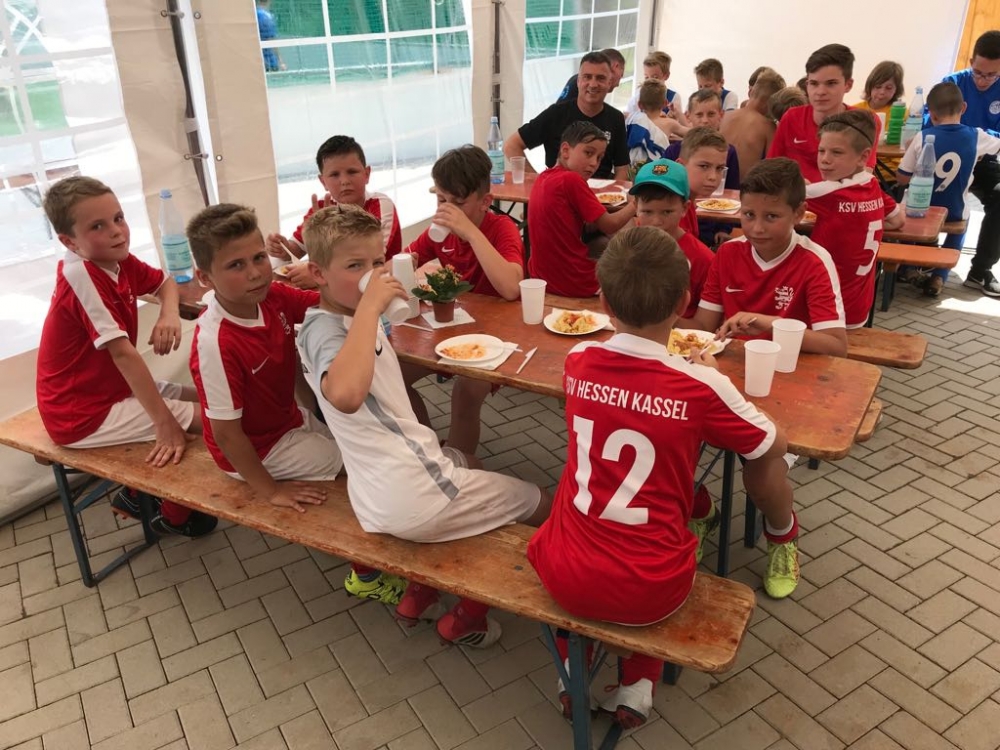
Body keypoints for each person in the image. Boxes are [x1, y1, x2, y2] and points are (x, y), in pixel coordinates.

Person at [527, 227, 799, 727]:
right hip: (652, 587)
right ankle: (638, 686)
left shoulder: (577, 360)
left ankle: (573, 673)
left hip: (564, 573)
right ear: (684, 301)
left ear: (602, 301)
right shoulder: (701, 384)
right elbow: (772, 444)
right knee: (656, 561)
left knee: (570, 550)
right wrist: (712, 376)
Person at [296, 203, 552, 647]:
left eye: (377, 262)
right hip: (412, 492)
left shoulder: (341, 319)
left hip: (375, 493)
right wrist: (371, 307)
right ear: (317, 274)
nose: (371, 275)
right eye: (355, 266)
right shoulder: (330, 332)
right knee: (542, 502)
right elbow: (344, 395)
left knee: (467, 459)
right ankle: (471, 614)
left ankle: (420, 592)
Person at [188, 203, 403, 603]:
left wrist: (357, 283)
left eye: (258, 258)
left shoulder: (269, 296)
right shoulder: (215, 341)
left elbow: (324, 303)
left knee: (367, 448)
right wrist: (270, 491)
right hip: (259, 450)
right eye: (236, 265)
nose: (255, 272)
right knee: (365, 465)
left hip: (288, 423)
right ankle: (366, 574)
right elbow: (226, 434)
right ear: (204, 277)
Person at [36, 176, 215, 537]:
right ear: (70, 242)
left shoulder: (114, 259)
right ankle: (171, 514)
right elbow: (123, 355)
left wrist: (168, 314)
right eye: (98, 226)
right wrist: (164, 422)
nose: (117, 231)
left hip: (110, 391)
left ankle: (136, 495)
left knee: (212, 399)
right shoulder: (81, 275)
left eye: (118, 218)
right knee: (212, 423)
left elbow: (165, 283)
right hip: (81, 413)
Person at [399, 146, 525, 454]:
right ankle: (429, 452)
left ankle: (460, 461)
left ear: (485, 202)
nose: (448, 210)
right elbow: (402, 260)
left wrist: (471, 232)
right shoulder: (439, 234)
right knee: (392, 378)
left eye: (458, 203)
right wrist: (404, 265)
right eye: (442, 200)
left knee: (466, 392)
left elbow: (511, 288)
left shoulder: (501, 228)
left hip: (496, 337)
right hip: (452, 329)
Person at [682, 158, 848, 357]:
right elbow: (703, 327)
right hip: (736, 361)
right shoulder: (727, 253)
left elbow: (837, 347)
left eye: (771, 216)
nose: (757, 228)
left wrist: (771, 325)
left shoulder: (815, 261)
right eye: (749, 214)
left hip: (792, 364)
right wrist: (660, 318)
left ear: (799, 213)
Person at [897, 81, 1000, 297]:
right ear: (963, 108)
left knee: (907, 213)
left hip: (919, 208)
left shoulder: (922, 137)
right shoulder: (976, 136)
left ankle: (908, 268)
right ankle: (940, 276)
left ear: (932, 114)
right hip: (953, 210)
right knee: (964, 221)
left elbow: (902, 178)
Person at [266, 135, 401, 288]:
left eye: (352, 172)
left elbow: (368, 260)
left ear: (367, 174)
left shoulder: (380, 205)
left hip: (380, 287)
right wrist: (282, 248)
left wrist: (320, 274)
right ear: (323, 181)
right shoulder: (321, 208)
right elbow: (295, 250)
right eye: (335, 175)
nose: (344, 181)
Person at [807, 111, 903, 324]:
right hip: (859, 303)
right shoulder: (871, 183)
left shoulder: (828, 193)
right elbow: (898, 220)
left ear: (863, 157)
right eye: (821, 150)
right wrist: (860, 222)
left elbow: (777, 198)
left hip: (826, 305)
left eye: (836, 152)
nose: (825, 159)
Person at [527, 122, 637, 297]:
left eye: (599, 158)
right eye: (588, 153)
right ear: (565, 150)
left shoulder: (543, 177)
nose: (594, 163)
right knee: (635, 268)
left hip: (541, 276)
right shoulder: (571, 180)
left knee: (604, 243)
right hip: (573, 280)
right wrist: (636, 203)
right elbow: (610, 225)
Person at [937, 30, 1000, 296]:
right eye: (978, 72)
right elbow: (932, 121)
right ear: (971, 61)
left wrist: (972, 135)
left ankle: (980, 270)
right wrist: (968, 136)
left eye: (991, 75)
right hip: (946, 160)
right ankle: (914, 261)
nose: (982, 80)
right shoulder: (952, 84)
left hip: (984, 162)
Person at [506, 52, 629, 180]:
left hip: (599, 190)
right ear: (578, 81)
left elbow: (622, 167)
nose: (593, 84)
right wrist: (539, 180)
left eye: (600, 78)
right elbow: (511, 146)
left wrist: (616, 191)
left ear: (609, 83)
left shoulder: (616, 118)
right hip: (558, 187)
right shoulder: (555, 114)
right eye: (587, 77)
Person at [768, 44, 879, 182]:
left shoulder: (864, 121)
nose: (820, 92)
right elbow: (771, 167)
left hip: (841, 195)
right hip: (798, 194)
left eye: (831, 83)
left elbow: (864, 175)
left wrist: (816, 190)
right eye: (814, 83)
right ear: (807, 85)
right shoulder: (792, 117)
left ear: (848, 85)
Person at [630, 160, 713, 317]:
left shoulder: (703, 260)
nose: (656, 222)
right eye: (647, 212)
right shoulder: (626, 250)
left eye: (667, 212)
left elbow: (707, 323)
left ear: (685, 208)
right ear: (636, 208)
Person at [664, 91, 740, 190]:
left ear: (721, 115)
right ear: (688, 116)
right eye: (699, 115)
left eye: (711, 114)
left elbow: (732, 190)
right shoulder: (674, 150)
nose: (705, 121)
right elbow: (661, 183)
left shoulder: (729, 151)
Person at [721, 70, 786, 176]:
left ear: (750, 91)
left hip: (719, 182)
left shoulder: (725, 116)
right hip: (745, 185)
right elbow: (772, 166)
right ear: (772, 104)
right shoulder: (768, 127)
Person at [672, 127, 730, 237]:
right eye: (704, 166)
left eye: (719, 168)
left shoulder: (688, 200)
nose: (713, 177)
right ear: (681, 166)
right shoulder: (672, 210)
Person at [855, 61, 906, 184]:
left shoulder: (901, 113)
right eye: (878, 87)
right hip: (859, 170)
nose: (882, 92)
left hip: (890, 173)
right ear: (870, 86)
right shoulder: (856, 110)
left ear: (896, 90)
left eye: (889, 88)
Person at [625, 80, 689, 169]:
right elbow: (694, 134)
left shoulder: (632, 119)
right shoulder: (669, 123)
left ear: (639, 104)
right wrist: (679, 114)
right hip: (658, 171)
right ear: (665, 103)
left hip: (631, 170)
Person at [624, 51, 686, 123]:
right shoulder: (639, 96)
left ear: (666, 75)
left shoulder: (674, 98)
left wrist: (673, 118)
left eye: (655, 78)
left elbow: (679, 122)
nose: (650, 82)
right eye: (646, 77)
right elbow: (627, 119)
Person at [557, 48, 626, 103]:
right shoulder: (580, 83)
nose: (618, 84)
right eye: (621, 73)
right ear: (616, 66)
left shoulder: (577, 79)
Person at [255, 0, 285, 72]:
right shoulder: (265, 17)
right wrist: (280, 61)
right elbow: (271, 39)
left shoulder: (255, 14)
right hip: (269, 62)